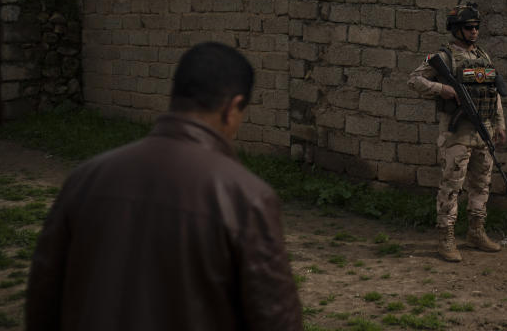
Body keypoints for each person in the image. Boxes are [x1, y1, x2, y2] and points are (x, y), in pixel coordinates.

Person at [26, 42, 303, 331]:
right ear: (232, 108)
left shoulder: (84, 178)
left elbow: (43, 298)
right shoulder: (247, 197)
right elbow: (275, 318)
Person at [408, 2, 507, 262]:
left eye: (476, 27)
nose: (474, 31)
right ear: (456, 29)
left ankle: (476, 231)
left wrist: (500, 124)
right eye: (468, 27)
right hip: (457, 135)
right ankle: (446, 236)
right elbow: (414, 80)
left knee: (481, 183)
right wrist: (444, 90)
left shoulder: (483, 57)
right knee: (452, 185)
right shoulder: (444, 57)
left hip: (482, 130)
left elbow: (493, 93)